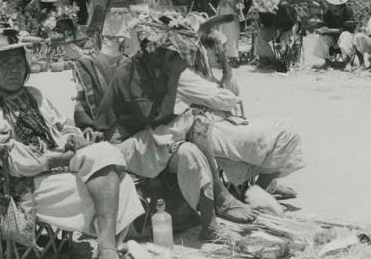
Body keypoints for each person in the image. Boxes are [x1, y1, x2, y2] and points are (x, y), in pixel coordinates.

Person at [0, 29, 144, 259]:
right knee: (117, 183)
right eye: (3, 64)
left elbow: (62, 127)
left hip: (62, 173)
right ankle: (109, 255)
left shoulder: (34, 95)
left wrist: (75, 138)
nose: (13, 69)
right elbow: (15, 163)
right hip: (30, 186)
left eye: (17, 61)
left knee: (112, 169)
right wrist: (55, 160)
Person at [95, 12, 257, 241]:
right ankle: (221, 198)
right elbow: (151, 117)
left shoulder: (159, 69)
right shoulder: (131, 73)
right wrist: (177, 91)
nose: (183, 60)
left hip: (150, 139)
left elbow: (162, 119)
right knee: (193, 125)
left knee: (191, 151)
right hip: (122, 146)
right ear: (155, 50)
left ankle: (209, 222)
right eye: (176, 55)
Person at [177, 26, 304, 200]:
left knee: (287, 124)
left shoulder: (201, 73)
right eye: (218, 52)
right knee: (287, 134)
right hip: (208, 130)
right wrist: (224, 94)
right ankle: (258, 193)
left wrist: (226, 68)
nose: (222, 55)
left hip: (223, 123)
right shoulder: (185, 75)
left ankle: (266, 184)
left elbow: (233, 92)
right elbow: (228, 99)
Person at [252, 0, 300, 72]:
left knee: (283, 40)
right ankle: (267, 58)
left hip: (289, 27)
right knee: (262, 34)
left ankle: (284, 60)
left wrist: (279, 33)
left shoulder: (284, 7)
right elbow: (267, 24)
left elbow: (290, 23)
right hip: (276, 27)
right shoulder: (264, 9)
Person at [313, 0, 356, 68]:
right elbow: (324, 24)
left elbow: (348, 28)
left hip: (345, 36)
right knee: (322, 37)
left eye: (332, 3)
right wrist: (321, 29)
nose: (330, 4)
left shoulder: (348, 11)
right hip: (332, 36)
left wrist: (329, 30)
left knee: (345, 35)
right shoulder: (328, 12)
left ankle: (347, 62)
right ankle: (327, 62)